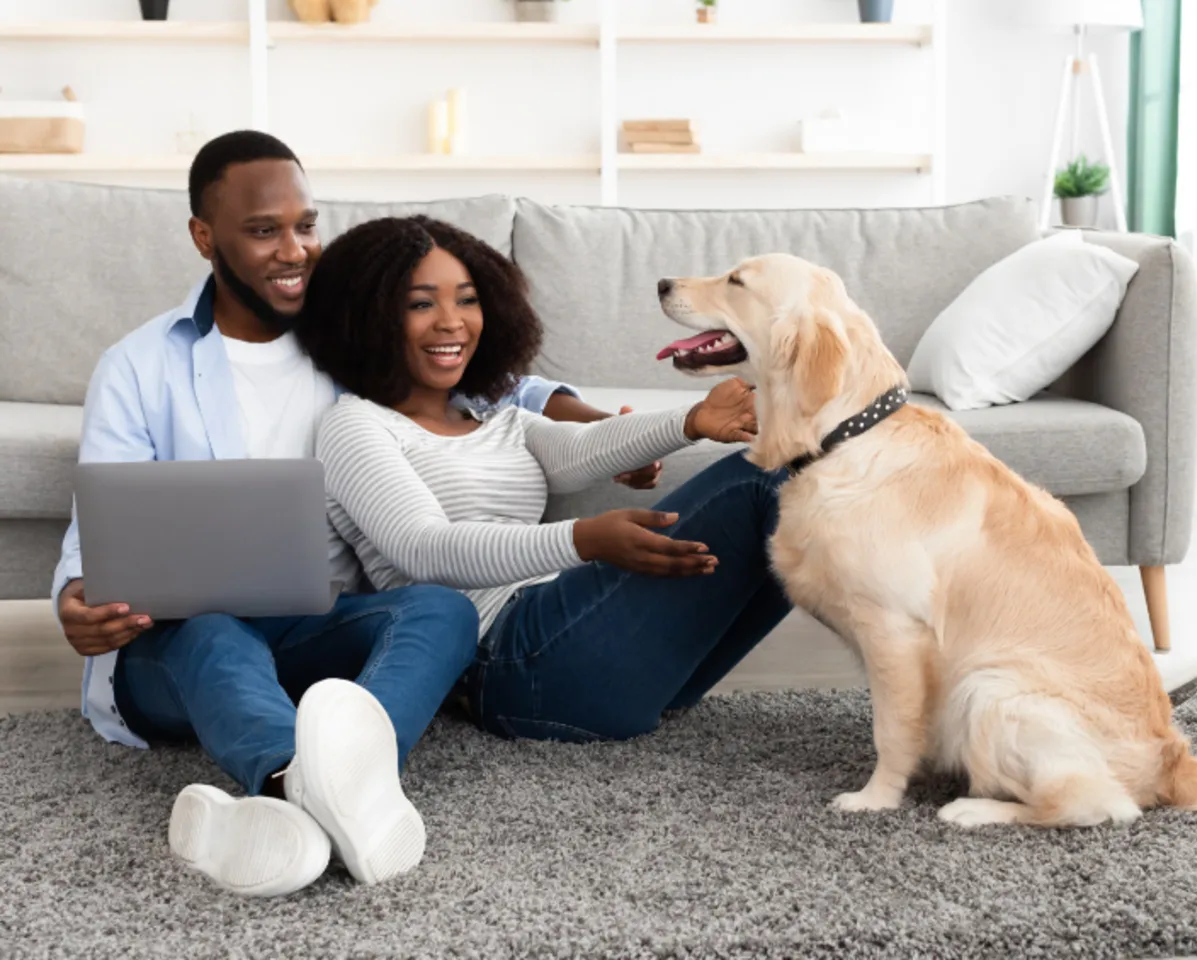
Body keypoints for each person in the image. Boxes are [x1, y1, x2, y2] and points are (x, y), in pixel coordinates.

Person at [51, 131, 645, 898]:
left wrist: (597, 425)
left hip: (320, 625)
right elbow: (97, 525)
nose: (295, 249)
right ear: (205, 237)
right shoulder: (141, 364)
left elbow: (497, 380)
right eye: (264, 231)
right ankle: (294, 780)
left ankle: (303, 808)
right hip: (182, 648)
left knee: (438, 610)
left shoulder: (346, 336)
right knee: (213, 632)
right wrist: (76, 600)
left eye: (306, 224)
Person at [295, 215, 794, 743]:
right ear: (367, 317)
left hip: (570, 641)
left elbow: (581, 451)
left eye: (467, 300)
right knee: (761, 481)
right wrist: (583, 540)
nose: (452, 322)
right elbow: (424, 548)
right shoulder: (354, 424)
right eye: (421, 304)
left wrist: (692, 421)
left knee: (800, 484)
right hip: (511, 659)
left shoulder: (497, 419)